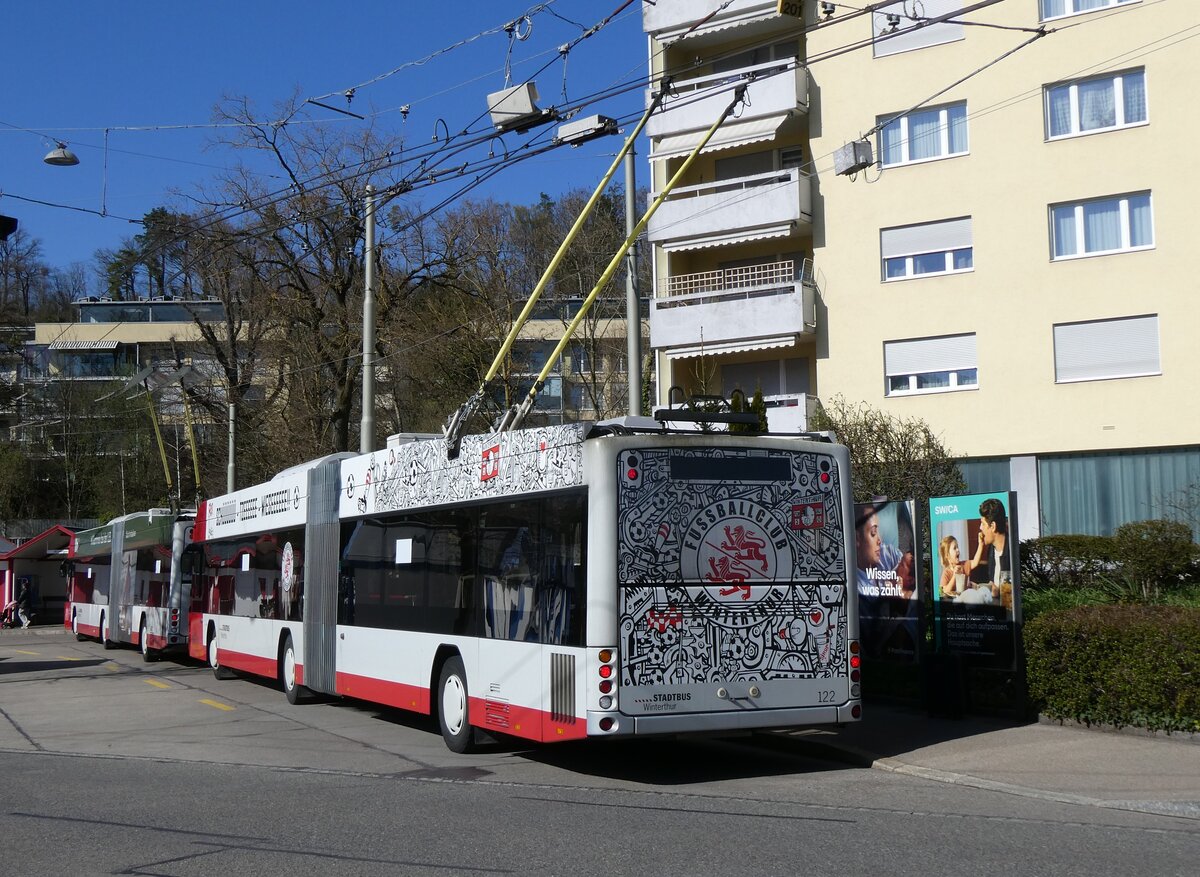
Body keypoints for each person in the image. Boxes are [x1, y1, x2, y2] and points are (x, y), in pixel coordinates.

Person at [972, 497, 1010, 597]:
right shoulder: (992, 550)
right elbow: (993, 584)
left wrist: (998, 592)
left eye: (983, 524)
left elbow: (1010, 594)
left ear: (993, 526)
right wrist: (979, 587)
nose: (980, 528)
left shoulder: (1012, 552)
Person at [937, 534, 980, 599]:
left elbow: (975, 562)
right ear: (947, 555)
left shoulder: (964, 565)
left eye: (957, 547)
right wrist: (954, 576)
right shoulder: (946, 573)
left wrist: (981, 544)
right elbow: (944, 591)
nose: (958, 550)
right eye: (954, 548)